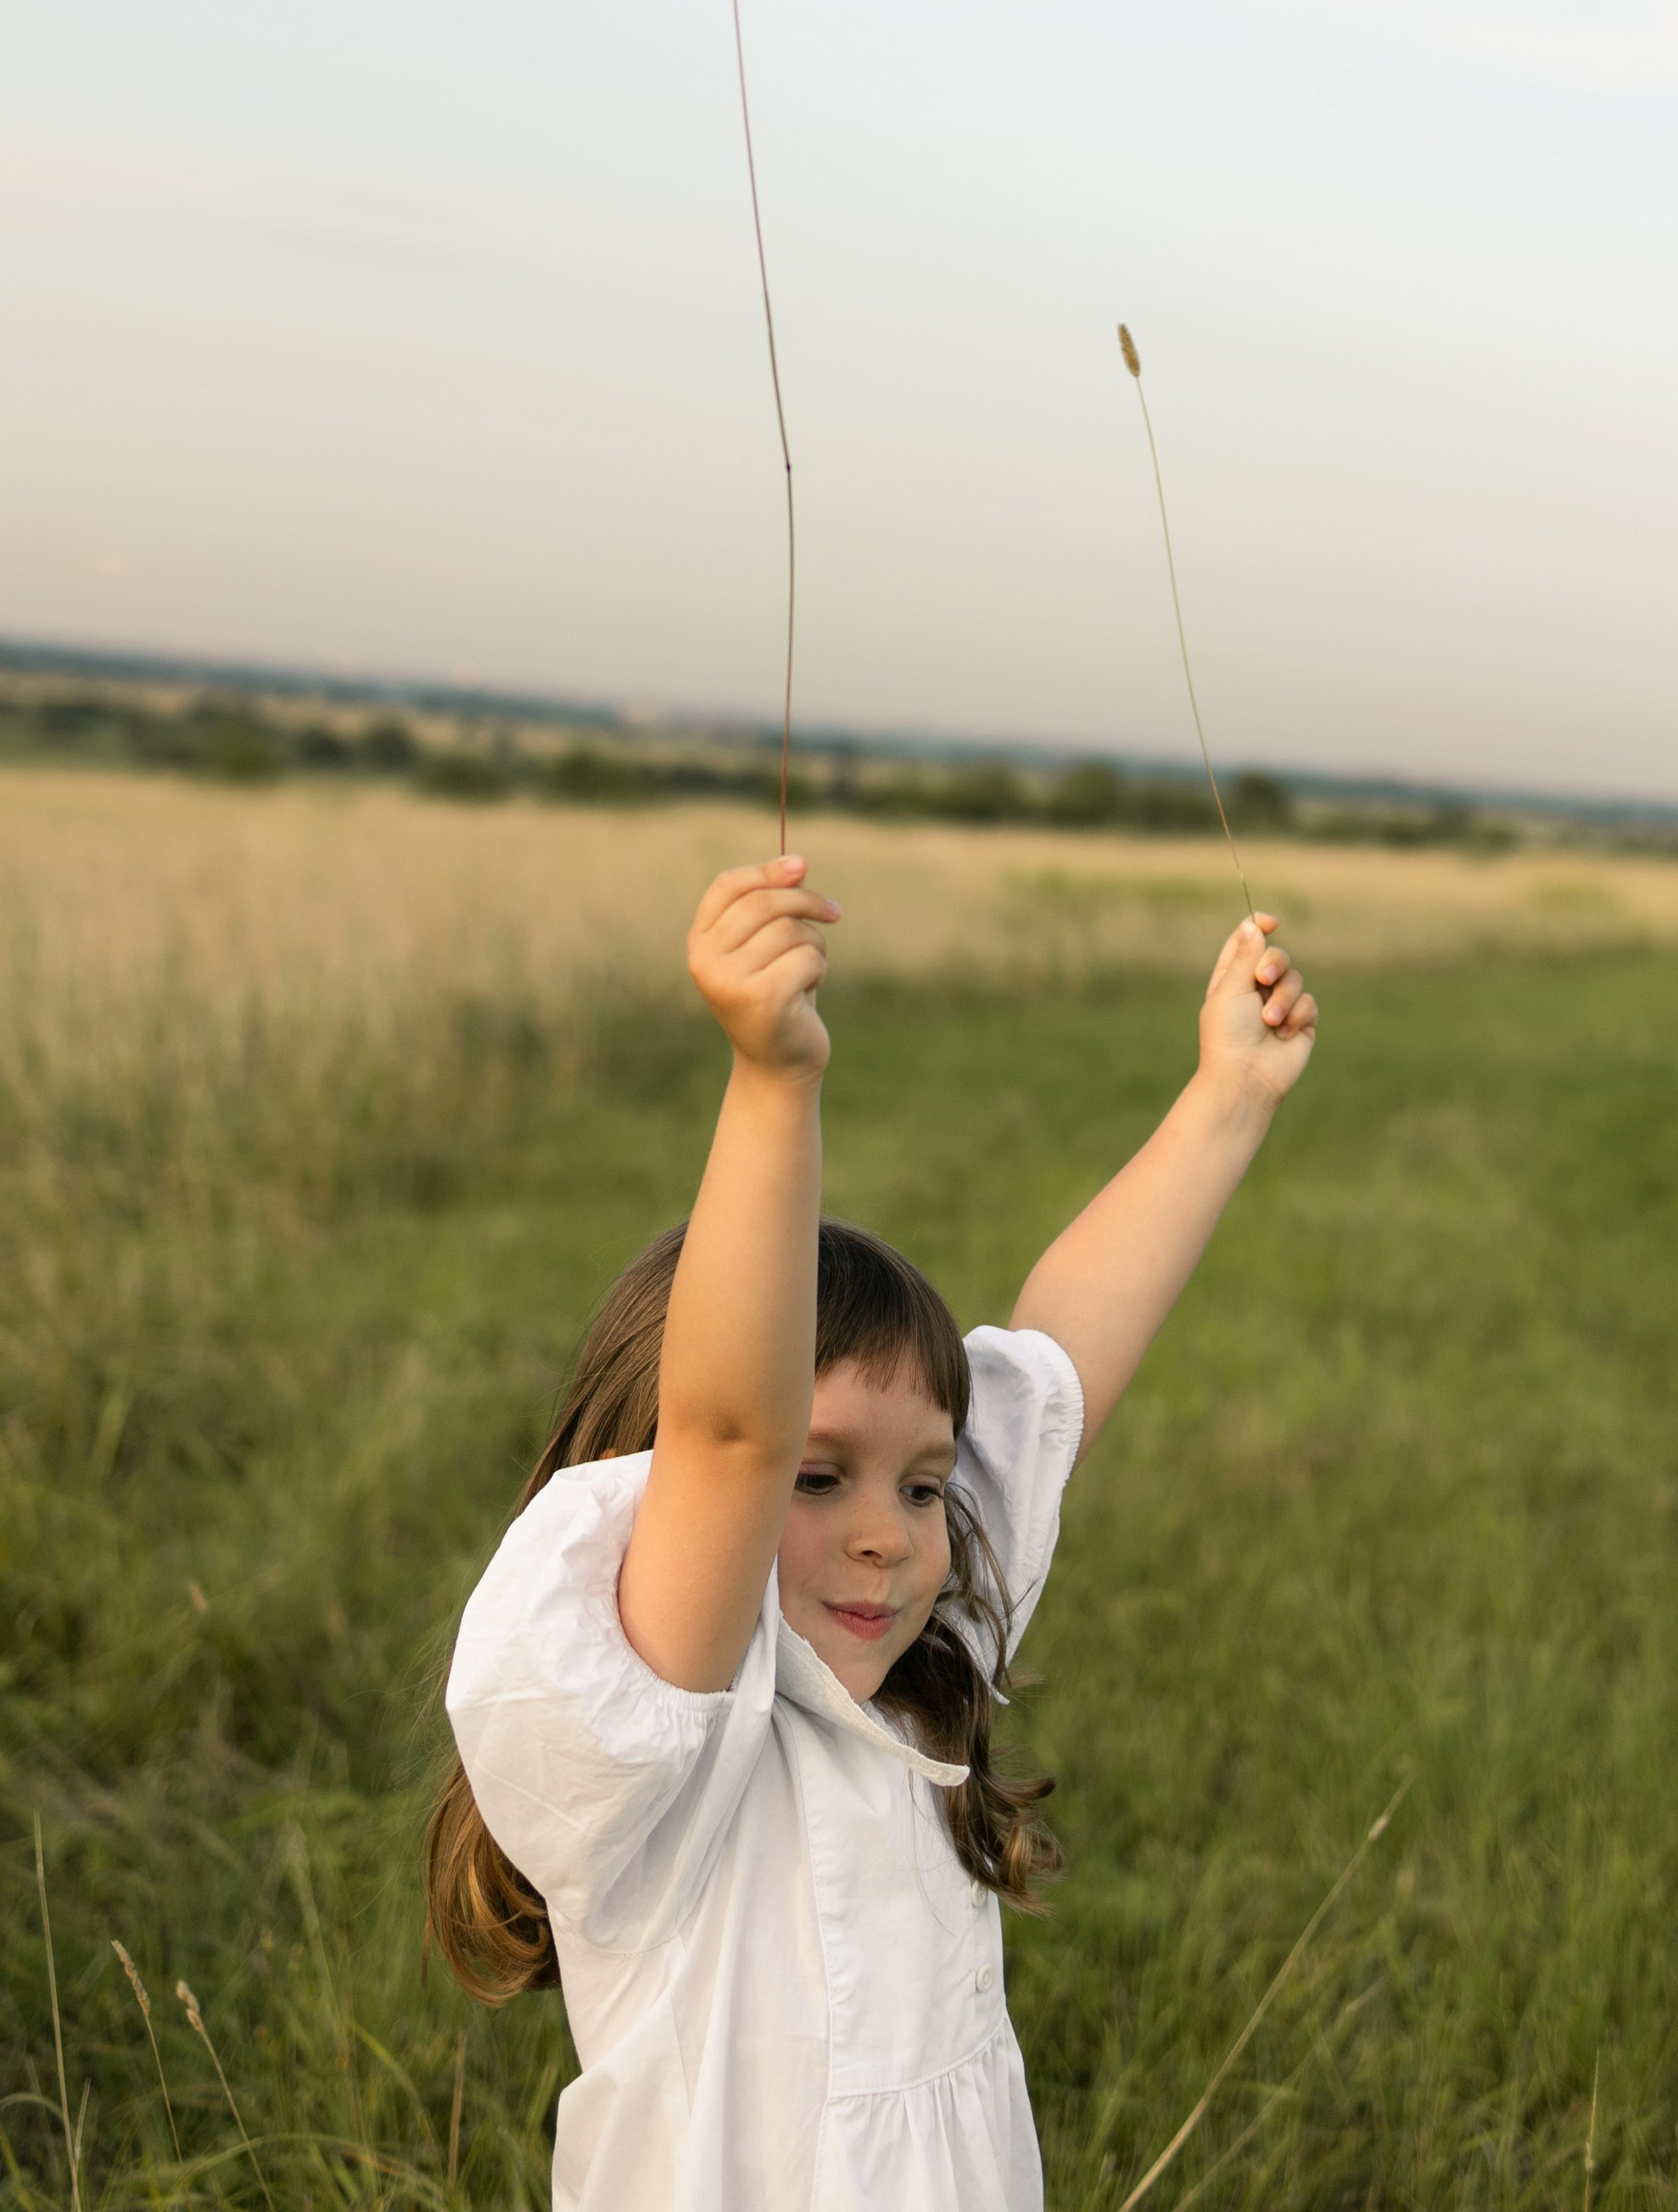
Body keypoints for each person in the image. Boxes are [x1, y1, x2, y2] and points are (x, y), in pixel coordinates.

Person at [429, 851, 1317, 2212]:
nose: (888, 1540)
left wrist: (1229, 1097)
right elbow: (732, 1432)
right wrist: (773, 1081)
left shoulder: (915, 1638)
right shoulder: (668, 1724)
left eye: (920, 1486)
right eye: (818, 1477)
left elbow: (1062, 1356)